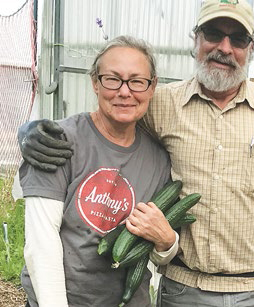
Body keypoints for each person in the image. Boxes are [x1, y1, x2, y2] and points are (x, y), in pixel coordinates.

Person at [18, 0, 254, 306]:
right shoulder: (162, 104)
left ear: (251, 48)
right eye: (213, 33)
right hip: (184, 289)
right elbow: (109, 118)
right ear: (196, 40)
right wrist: (32, 130)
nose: (225, 48)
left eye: (238, 39)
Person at [19, 35, 180, 307]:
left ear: (152, 88)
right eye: (112, 79)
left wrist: (168, 242)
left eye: (137, 81)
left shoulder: (160, 159)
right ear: (95, 82)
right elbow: (40, 245)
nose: (125, 92)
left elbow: (154, 254)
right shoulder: (54, 142)